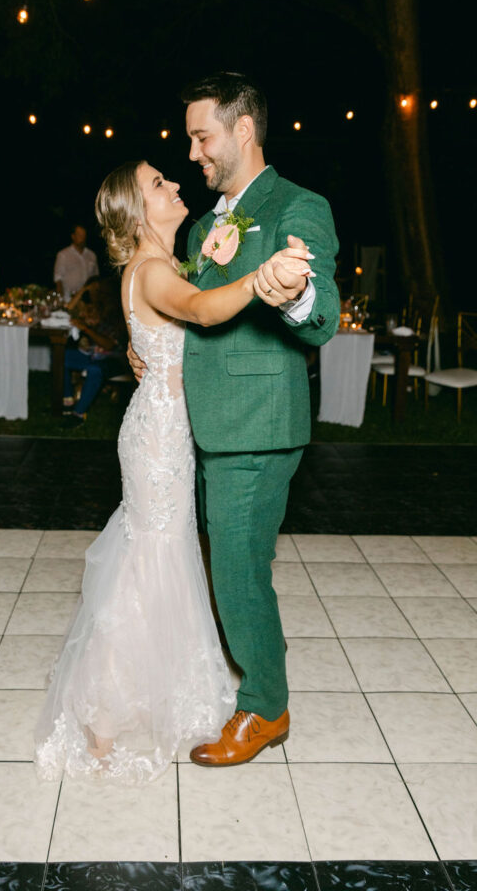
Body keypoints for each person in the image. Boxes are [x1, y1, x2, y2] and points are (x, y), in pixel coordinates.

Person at [33, 160, 312, 784]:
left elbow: (172, 329)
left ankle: (148, 691)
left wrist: (147, 352)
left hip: (165, 429)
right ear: (137, 213)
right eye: (159, 185)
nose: (176, 186)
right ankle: (105, 718)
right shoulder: (156, 270)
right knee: (148, 562)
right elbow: (204, 312)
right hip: (161, 438)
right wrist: (262, 278)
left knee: (161, 554)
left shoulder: (159, 264)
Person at [129, 72, 340, 766]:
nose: (193, 154)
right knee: (240, 563)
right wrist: (158, 356)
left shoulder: (297, 205)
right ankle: (261, 688)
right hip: (206, 419)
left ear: (241, 130)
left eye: (202, 136)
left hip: (256, 423)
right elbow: (196, 309)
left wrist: (293, 289)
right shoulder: (201, 224)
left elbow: (321, 312)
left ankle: (264, 711)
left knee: (237, 571)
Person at [61, 278, 127, 427]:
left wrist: (85, 329)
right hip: (92, 355)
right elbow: (68, 310)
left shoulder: (116, 312)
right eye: (90, 291)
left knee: (95, 369)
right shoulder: (92, 308)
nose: (92, 294)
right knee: (61, 357)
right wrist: (83, 291)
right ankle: (67, 401)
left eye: (95, 291)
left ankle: (78, 415)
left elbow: (109, 344)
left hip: (115, 360)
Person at [53, 223, 99, 300]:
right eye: (79, 235)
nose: (82, 238)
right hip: (69, 299)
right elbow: (58, 279)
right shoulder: (63, 255)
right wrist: (60, 300)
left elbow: (96, 278)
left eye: (83, 235)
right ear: (73, 236)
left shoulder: (92, 255)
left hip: (88, 300)